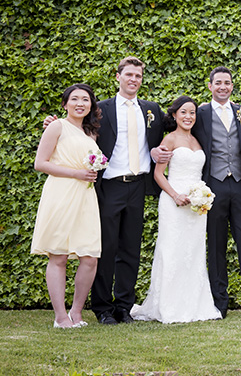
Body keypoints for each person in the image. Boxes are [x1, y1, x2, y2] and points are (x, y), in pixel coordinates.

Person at [44, 57, 171, 325]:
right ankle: (102, 308)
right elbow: (73, 130)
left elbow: (171, 129)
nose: (133, 80)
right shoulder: (100, 109)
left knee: (131, 250)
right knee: (104, 248)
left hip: (138, 185)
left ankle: (124, 307)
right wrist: (51, 122)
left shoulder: (151, 109)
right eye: (129, 75)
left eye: (138, 75)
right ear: (118, 76)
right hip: (109, 186)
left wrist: (201, 111)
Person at [131, 96, 222, 323]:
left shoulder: (199, 141)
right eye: (183, 112)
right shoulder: (169, 139)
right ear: (174, 115)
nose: (188, 117)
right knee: (171, 251)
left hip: (196, 205)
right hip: (174, 201)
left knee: (193, 253)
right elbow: (158, 174)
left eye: (192, 113)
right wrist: (175, 195)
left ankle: (194, 306)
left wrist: (202, 196)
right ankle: (168, 307)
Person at [192, 66, 241, 321]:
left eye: (227, 83)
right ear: (210, 86)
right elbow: (177, 129)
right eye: (218, 83)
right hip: (212, 186)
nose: (223, 86)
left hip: (240, 185)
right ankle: (219, 302)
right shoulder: (199, 113)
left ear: (232, 86)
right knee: (216, 246)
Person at [32, 84, 103, 328]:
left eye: (85, 99)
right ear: (65, 104)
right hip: (61, 193)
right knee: (59, 255)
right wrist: (76, 173)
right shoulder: (56, 126)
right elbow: (40, 163)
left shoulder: (90, 133)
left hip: (85, 196)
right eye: (75, 99)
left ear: (91, 105)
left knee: (90, 256)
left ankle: (77, 312)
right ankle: (60, 317)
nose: (80, 103)